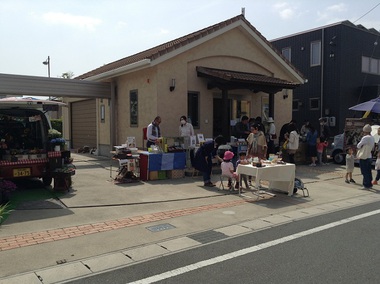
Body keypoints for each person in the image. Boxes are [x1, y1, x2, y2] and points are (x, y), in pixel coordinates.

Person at [356, 124, 375, 189]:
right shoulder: (372, 137)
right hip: (369, 156)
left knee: (364, 171)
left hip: (364, 156)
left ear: (365, 131)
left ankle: (366, 185)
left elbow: (358, 145)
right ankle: (370, 184)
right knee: (368, 171)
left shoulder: (365, 137)